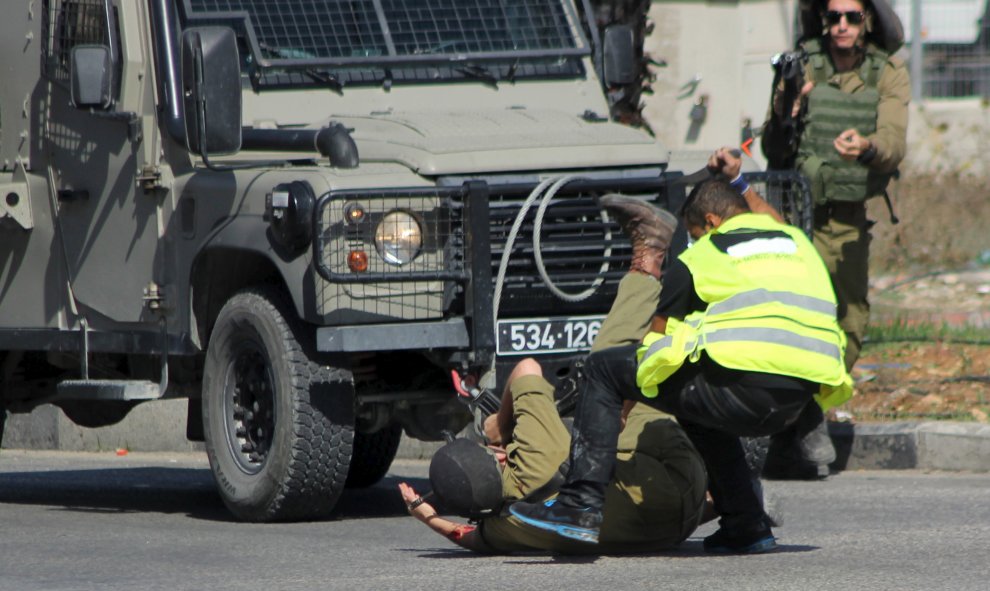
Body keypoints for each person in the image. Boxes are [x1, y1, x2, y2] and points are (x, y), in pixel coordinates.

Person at [509, 149, 853, 554]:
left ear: (710, 222)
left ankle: (580, 506)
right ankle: (746, 522)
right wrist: (740, 182)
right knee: (698, 406)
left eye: (694, 232)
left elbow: (656, 342)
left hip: (745, 385)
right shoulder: (793, 240)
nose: (692, 241)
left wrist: (623, 398)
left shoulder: (703, 256)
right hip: (801, 398)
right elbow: (766, 217)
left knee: (604, 369)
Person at [397, 198, 709, 555]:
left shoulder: (506, 526)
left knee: (613, 470)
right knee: (606, 370)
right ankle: (649, 258)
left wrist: (426, 515)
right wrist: (499, 425)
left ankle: (722, 498)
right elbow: (527, 367)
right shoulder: (529, 452)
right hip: (677, 476)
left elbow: (463, 535)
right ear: (498, 457)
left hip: (676, 528)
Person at [760, 0, 910, 480]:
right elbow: (773, 146)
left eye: (851, 16)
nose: (840, 26)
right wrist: (790, 106)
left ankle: (803, 412)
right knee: (788, 318)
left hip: (846, 220)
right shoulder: (802, 65)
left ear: (868, 20)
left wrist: (867, 147)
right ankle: (798, 421)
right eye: (832, 17)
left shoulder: (886, 73)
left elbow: (893, 140)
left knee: (848, 325)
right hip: (793, 215)